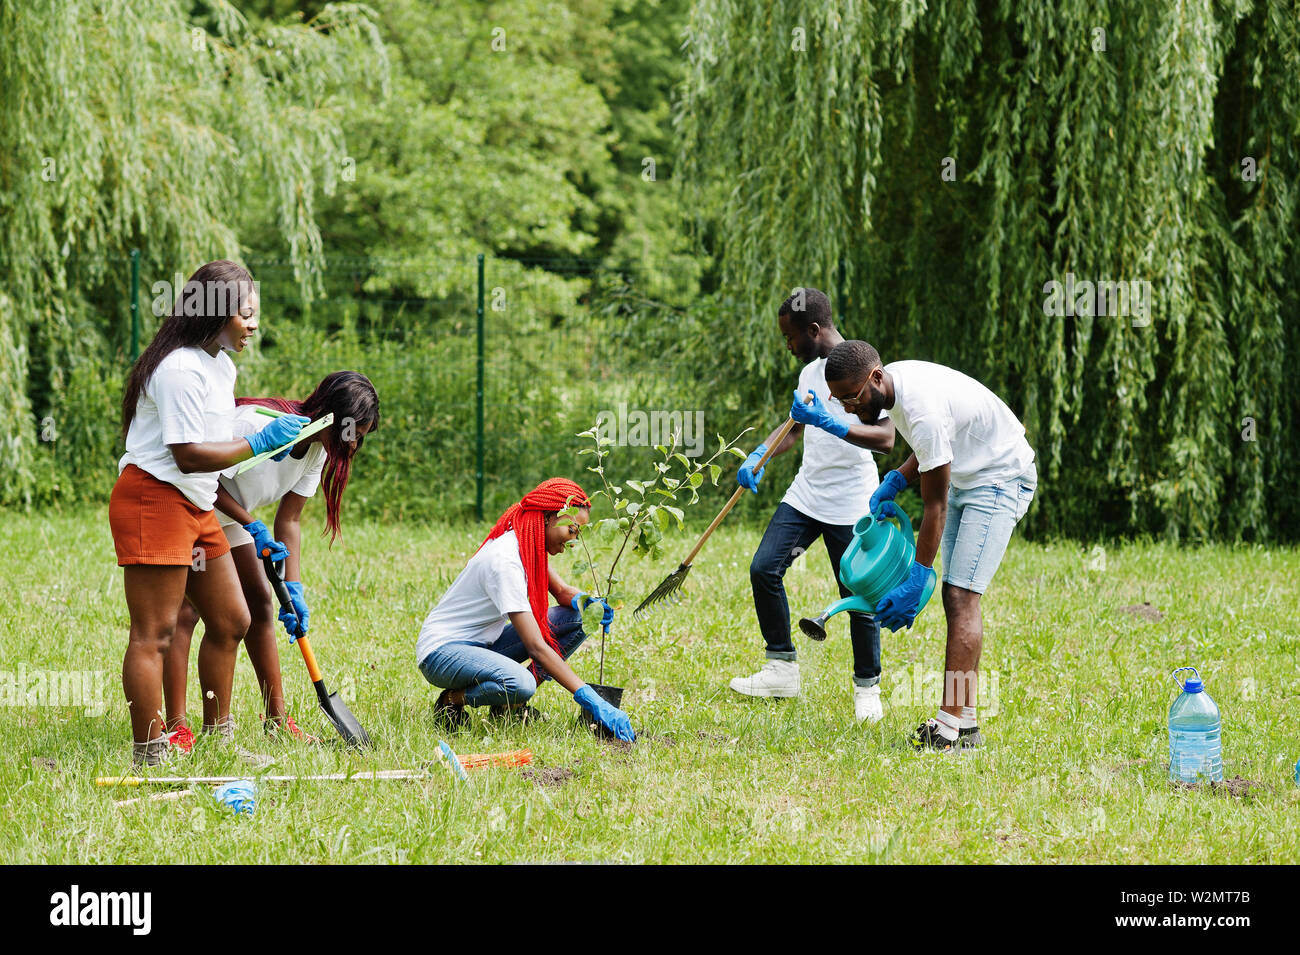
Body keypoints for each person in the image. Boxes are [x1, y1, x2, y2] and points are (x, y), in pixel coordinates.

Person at [110, 260, 309, 766]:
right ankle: (150, 751)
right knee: (154, 633)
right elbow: (188, 454)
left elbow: (210, 454)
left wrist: (250, 521)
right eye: (246, 313)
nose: (254, 324)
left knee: (231, 618)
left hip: (198, 502)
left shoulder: (220, 364)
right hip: (155, 498)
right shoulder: (178, 368)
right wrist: (257, 442)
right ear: (217, 311)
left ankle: (219, 740)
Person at [819, 340, 1037, 751]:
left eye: (852, 397)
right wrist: (899, 477)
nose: (848, 407)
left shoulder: (922, 411)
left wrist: (918, 575)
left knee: (961, 595)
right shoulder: (897, 386)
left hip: (1000, 478)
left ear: (876, 377)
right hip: (971, 474)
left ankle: (948, 730)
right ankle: (965, 723)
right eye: (840, 400)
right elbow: (930, 450)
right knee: (958, 598)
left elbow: (934, 505)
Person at [161, 372, 381, 749]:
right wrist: (252, 525)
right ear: (332, 416)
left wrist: (293, 588)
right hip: (187, 503)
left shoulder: (318, 451)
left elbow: (289, 519)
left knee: (263, 603)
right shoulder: (258, 426)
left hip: (231, 518)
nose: (354, 443)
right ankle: (177, 728)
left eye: (360, 436)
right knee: (189, 613)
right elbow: (201, 478)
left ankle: (276, 720)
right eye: (354, 432)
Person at [728, 288, 895, 722]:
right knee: (764, 568)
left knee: (857, 594)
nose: (787, 346)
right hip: (806, 496)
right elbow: (794, 428)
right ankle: (781, 668)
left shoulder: (861, 369)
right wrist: (758, 454)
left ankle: (867, 688)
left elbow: (887, 439)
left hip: (853, 501)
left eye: (790, 337)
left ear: (814, 330)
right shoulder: (808, 375)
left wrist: (832, 421)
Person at [416, 478, 635, 741]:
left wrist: (591, 604)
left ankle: (509, 706)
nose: (574, 541)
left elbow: (564, 593)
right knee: (521, 683)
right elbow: (536, 647)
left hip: (483, 646)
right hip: (443, 653)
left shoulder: (527, 544)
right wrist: (589, 697)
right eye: (572, 531)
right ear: (549, 518)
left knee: (579, 618)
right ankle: (452, 700)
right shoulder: (505, 560)